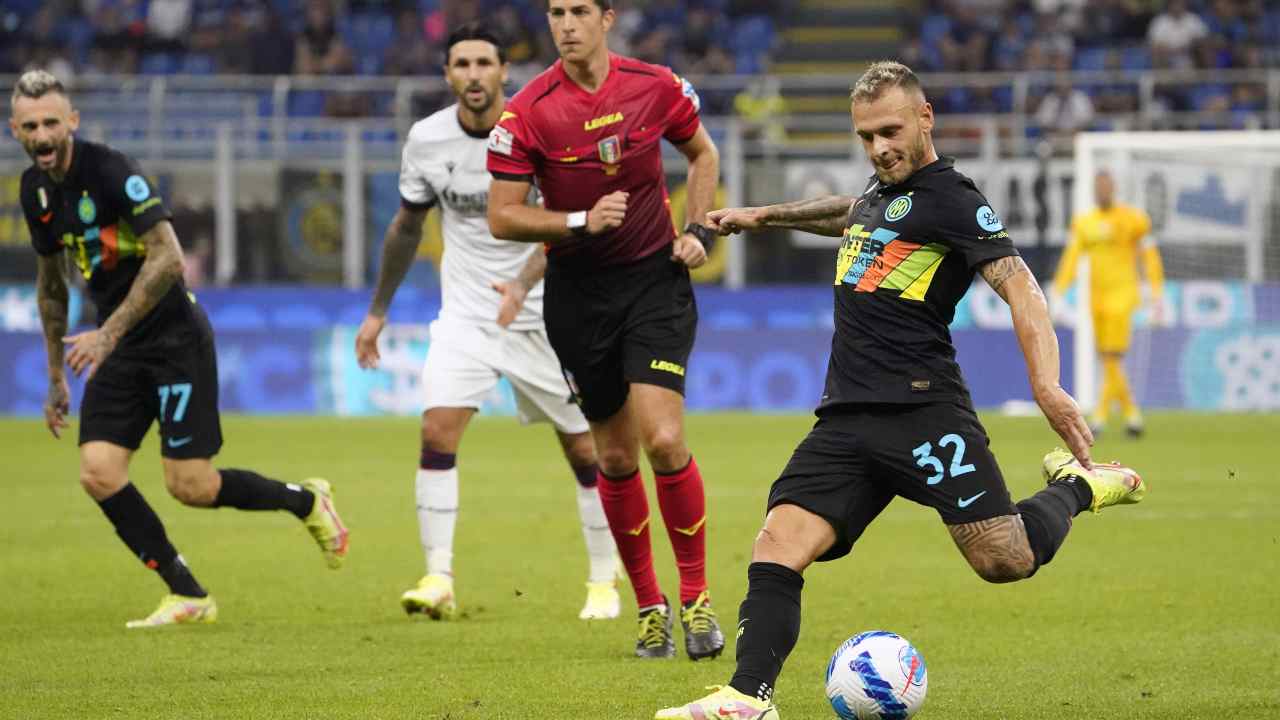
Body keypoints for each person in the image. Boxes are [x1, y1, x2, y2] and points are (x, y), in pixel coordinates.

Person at [657, 61, 1147, 718]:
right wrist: (764, 216)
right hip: (847, 416)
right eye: (865, 136)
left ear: (925, 118)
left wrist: (1047, 385)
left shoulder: (954, 198)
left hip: (923, 409)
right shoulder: (884, 190)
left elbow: (1020, 286)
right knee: (777, 542)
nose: (879, 147)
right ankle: (749, 699)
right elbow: (852, 213)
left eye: (890, 130)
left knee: (1005, 558)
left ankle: (1079, 487)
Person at [11, 69, 349, 629]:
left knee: (190, 486)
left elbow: (168, 257)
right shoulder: (36, 190)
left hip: (172, 341)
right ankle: (188, 592)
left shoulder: (113, 171)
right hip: (115, 346)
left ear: (73, 120)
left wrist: (108, 334)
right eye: (29, 126)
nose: (42, 136)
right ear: (15, 129)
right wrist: (54, 375)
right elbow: (51, 282)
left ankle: (306, 501)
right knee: (98, 471)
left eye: (51, 122)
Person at [355, 24, 621, 622]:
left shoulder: (540, 128)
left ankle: (603, 582)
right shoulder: (427, 139)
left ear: (504, 72)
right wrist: (377, 311)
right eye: (461, 64)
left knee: (586, 451)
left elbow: (572, 222)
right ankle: (439, 576)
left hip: (546, 312)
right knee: (436, 433)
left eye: (483, 63)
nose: (473, 74)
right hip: (467, 315)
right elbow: (405, 229)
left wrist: (525, 283)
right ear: (448, 75)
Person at [486, 0, 725, 660]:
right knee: (615, 459)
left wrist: (699, 229)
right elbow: (503, 217)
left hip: (654, 283)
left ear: (607, 17)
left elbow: (703, 154)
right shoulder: (529, 111)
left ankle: (698, 597)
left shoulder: (654, 86)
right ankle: (650, 607)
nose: (565, 24)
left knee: (665, 437)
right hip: (577, 299)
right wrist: (575, 222)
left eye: (578, 10)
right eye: (555, 12)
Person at [1051, 170, 1164, 438]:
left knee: (1112, 357)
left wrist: (1156, 293)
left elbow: (1150, 258)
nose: (1102, 191)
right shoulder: (1084, 223)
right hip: (1096, 299)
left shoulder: (1133, 220)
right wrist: (1058, 290)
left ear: (1113, 188)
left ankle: (1100, 417)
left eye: (1106, 186)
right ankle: (1132, 415)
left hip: (1124, 295)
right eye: (1097, 186)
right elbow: (1071, 258)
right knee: (1108, 359)